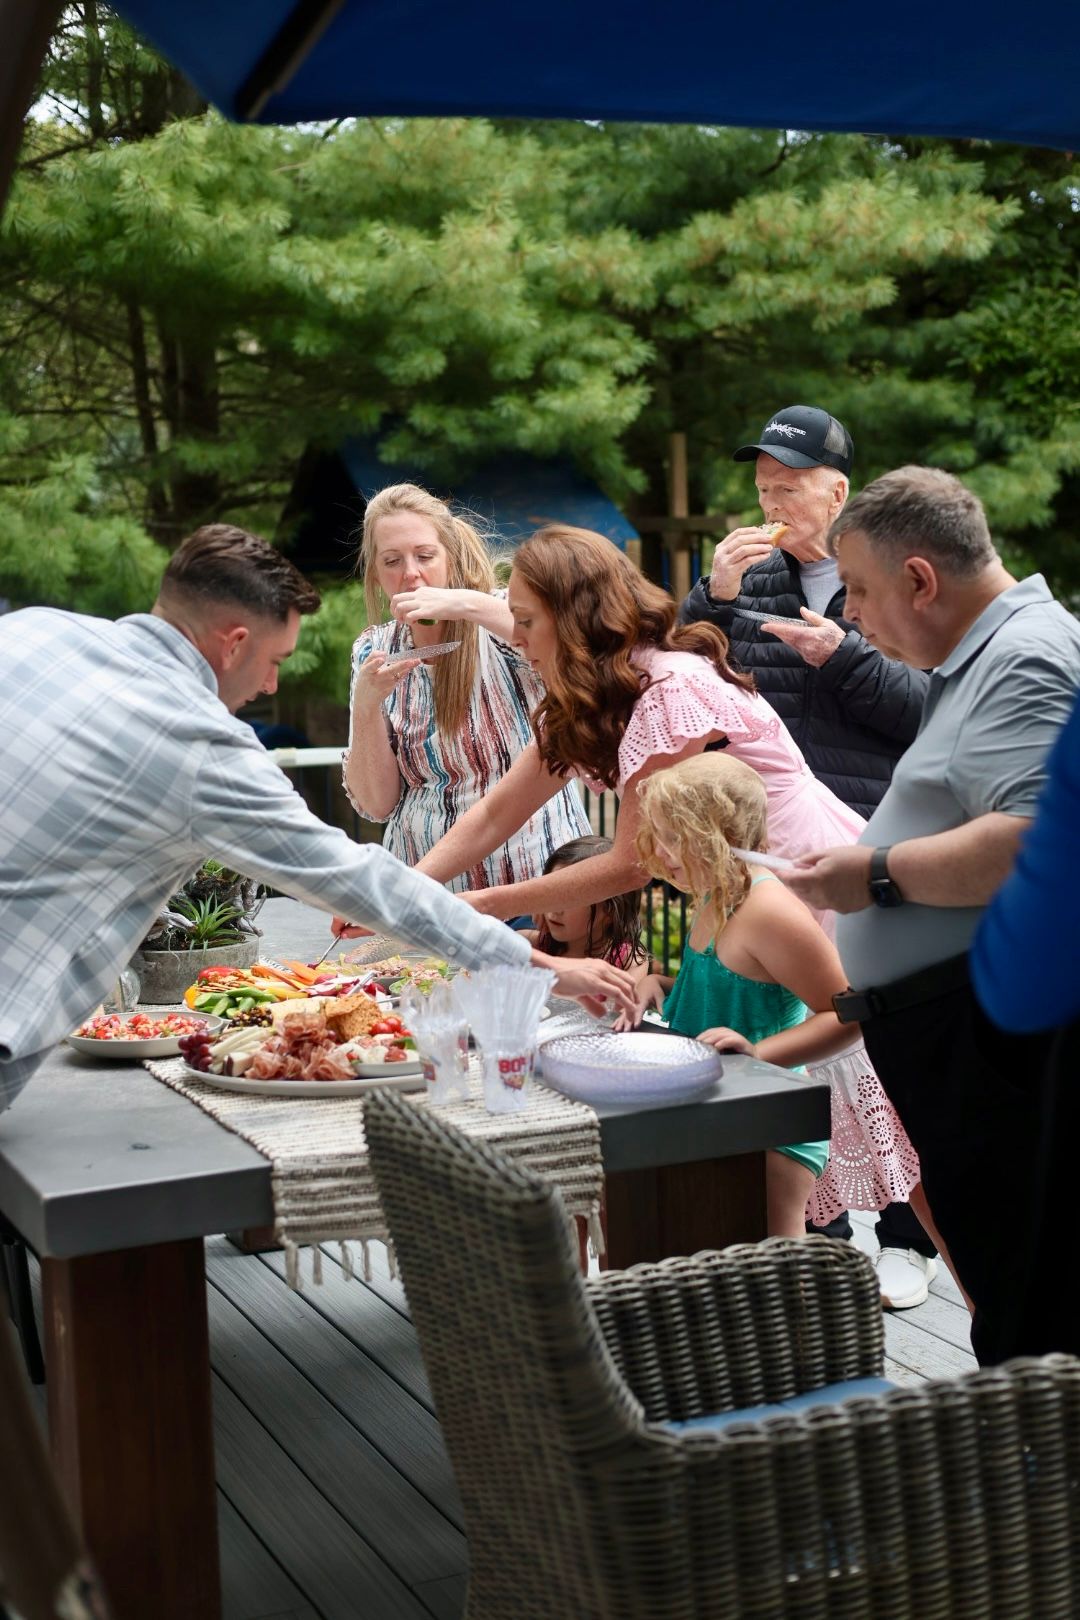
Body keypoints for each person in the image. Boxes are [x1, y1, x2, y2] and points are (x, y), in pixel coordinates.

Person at [0, 525, 637, 1110]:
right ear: (235, 644)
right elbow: (353, 875)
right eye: (275, 664)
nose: (272, 689)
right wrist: (543, 968)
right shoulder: (200, 744)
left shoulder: (31, 631)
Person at [783, 466, 1080, 1363]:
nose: (851, 618)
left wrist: (873, 878)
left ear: (920, 579)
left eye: (862, 592)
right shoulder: (984, 656)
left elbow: (1034, 841)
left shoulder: (1025, 656)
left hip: (990, 1038)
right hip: (962, 1028)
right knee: (1008, 1281)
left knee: (1031, 1291)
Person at [680, 403, 935, 1307]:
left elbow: (933, 712)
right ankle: (820, 1230)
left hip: (879, 837)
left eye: (791, 486)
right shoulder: (745, 577)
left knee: (888, 1030)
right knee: (797, 1025)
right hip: (774, 850)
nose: (774, 501)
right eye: (763, 488)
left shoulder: (896, 579)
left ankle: (908, 1236)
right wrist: (709, 595)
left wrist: (843, 657)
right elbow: (683, 687)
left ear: (839, 490)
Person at [411, 525, 866, 932]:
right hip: (739, 883)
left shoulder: (670, 689)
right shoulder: (594, 692)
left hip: (801, 871)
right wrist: (404, 887)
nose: (515, 637)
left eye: (526, 621)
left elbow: (631, 864)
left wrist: (485, 903)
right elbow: (497, 813)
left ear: (573, 620)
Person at [621, 753, 932, 1243]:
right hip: (717, 1103)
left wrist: (757, 1054)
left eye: (677, 836)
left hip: (768, 1118)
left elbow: (848, 1013)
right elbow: (718, 991)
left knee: (775, 1270)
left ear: (718, 832)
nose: (665, 850)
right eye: (659, 834)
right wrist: (654, 986)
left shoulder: (768, 910)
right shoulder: (713, 892)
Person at [343, 483, 589, 892]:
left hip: (531, 882)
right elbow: (377, 804)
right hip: (428, 889)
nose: (410, 573)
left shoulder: (496, 615)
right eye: (391, 561)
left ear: (450, 557)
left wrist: (461, 603)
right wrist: (365, 707)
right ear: (375, 574)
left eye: (424, 556)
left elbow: (567, 646)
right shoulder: (373, 648)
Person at [525, 835, 653, 984]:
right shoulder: (533, 945)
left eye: (570, 899)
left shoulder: (627, 962)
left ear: (610, 910)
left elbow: (623, 1007)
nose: (555, 909)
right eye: (552, 894)